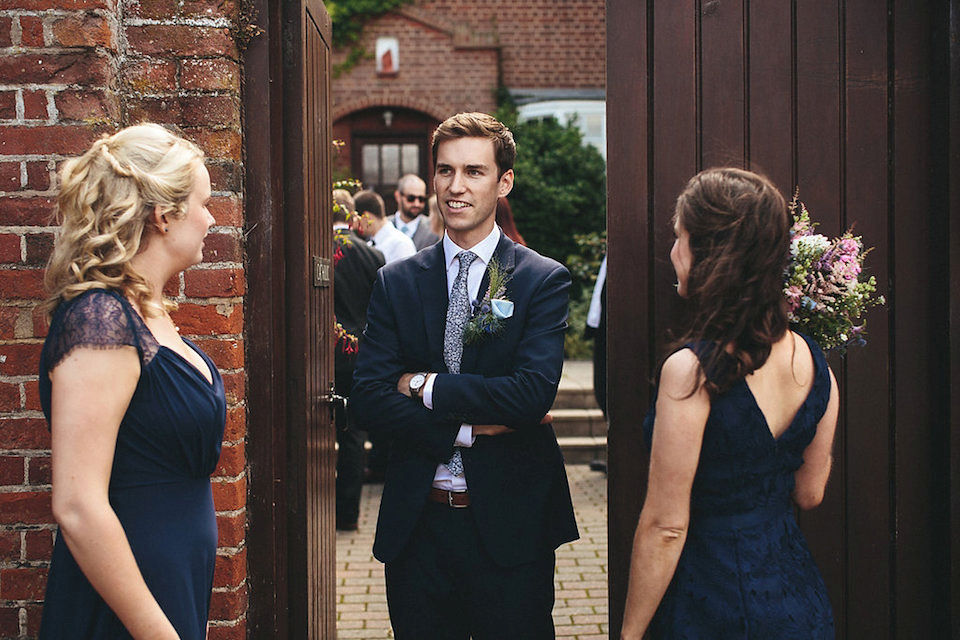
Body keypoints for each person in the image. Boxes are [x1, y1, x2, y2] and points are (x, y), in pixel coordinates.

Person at [350, 112, 579, 639]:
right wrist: (463, 430)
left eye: (474, 172)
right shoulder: (397, 281)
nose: (456, 187)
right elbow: (366, 397)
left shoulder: (541, 279)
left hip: (510, 524)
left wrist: (422, 385)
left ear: (504, 182)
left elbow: (529, 394)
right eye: (445, 171)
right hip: (419, 525)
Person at [621, 168, 839, 639]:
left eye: (680, 238)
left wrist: (630, 633)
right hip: (795, 598)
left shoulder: (693, 372)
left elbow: (666, 527)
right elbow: (810, 493)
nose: (673, 252)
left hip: (713, 601)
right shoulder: (816, 365)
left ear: (708, 254)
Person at [37, 123, 225, 639]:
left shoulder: (147, 312)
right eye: (204, 203)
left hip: (172, 581)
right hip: (129, 605)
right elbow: (77, 505)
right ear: (165, 215)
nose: (212, 219)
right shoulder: (101, 319)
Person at [332, 189, 385, 530]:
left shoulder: (317, 253)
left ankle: (316, 512)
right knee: (352, 435)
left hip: (322, 358)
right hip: (360, 357)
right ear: (352, 217)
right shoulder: (372, 257)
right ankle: (347, 516)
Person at [351, 189, 416, 264]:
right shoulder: (370, 244)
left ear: (366, 216)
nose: (355, 226)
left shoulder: (400, 244)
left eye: (358, 221)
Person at [389, 173, 440, 250]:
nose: (417, 204)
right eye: (411, 198)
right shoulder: (384, 226)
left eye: (421, 199)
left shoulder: (434, 229)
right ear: (398, 196)